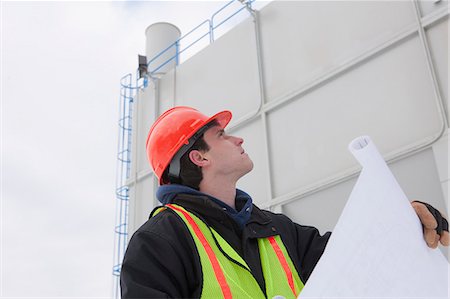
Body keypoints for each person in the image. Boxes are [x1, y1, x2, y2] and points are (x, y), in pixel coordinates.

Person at [120, 106, 449, 299]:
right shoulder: (159, 243)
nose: (238, 138)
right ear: (198, 157)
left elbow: (357, 259)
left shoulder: (275, 229)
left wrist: (406, 221)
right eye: (221, 135)